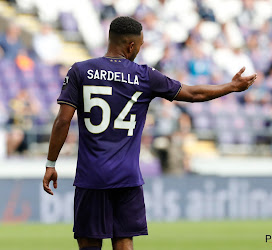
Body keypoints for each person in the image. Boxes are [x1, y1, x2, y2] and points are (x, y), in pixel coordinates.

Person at [42, 16, 257, 250]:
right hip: (127, 177)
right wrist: (231, 87)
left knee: (89, 244)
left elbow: (63, 121)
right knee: (124, 242)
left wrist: (51, 163)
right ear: (131, 46)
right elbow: (194, 94)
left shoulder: (80, 71)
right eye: (141, 45)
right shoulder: (144, 76)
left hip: (91, 176)